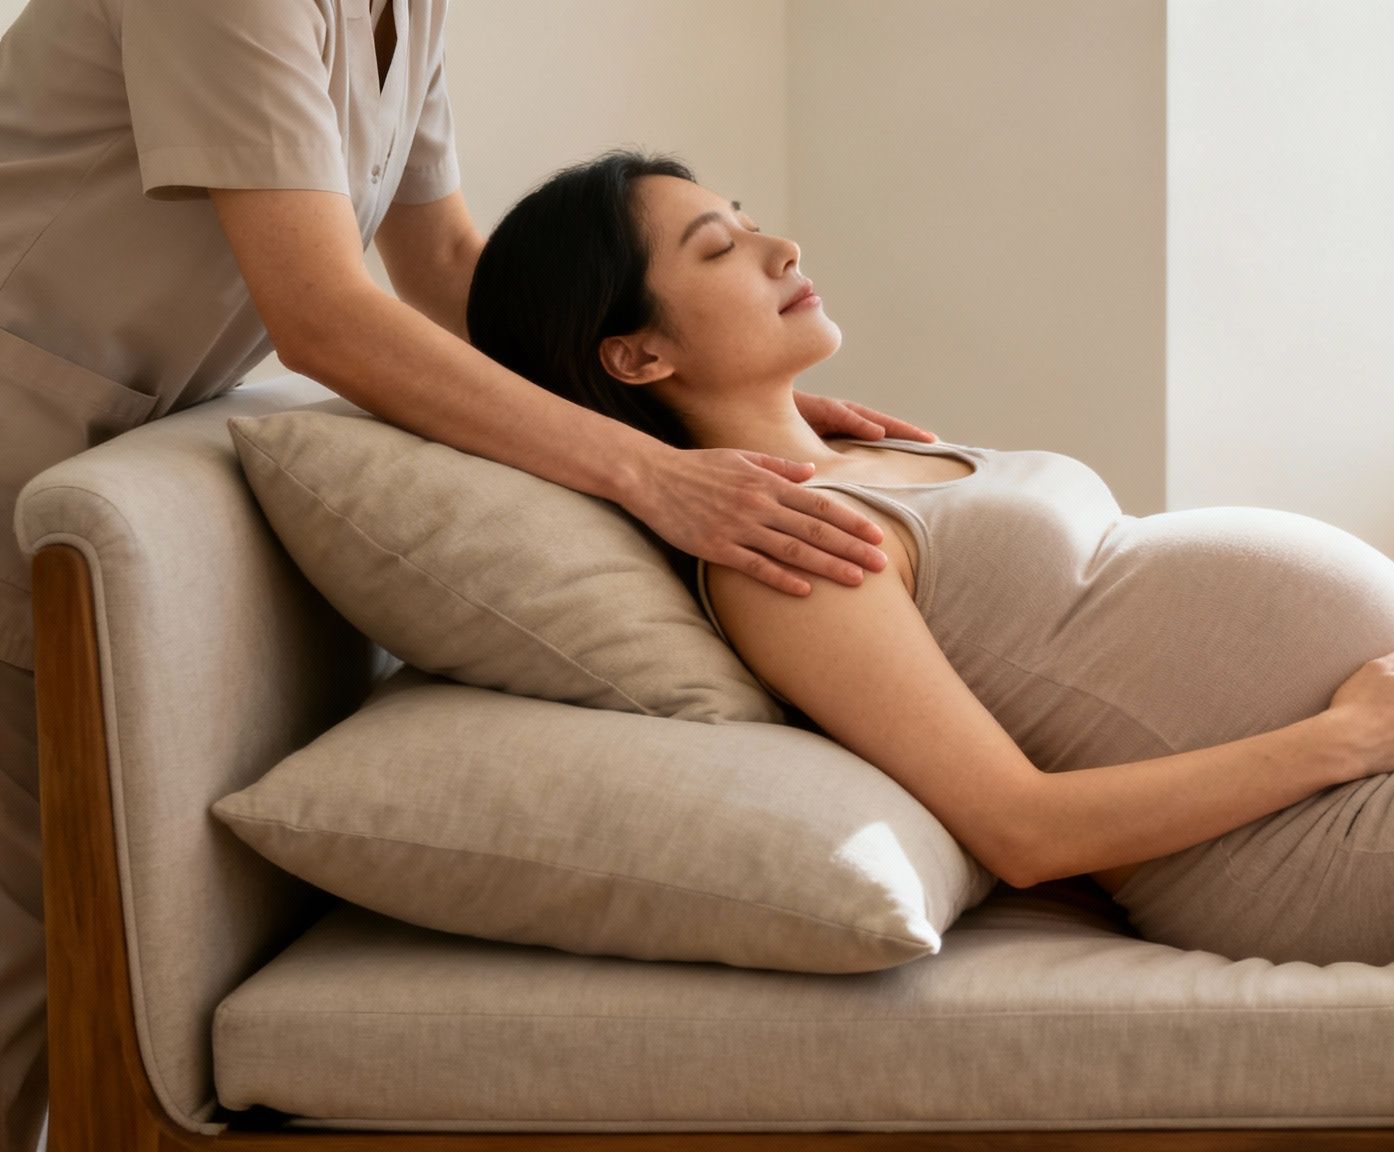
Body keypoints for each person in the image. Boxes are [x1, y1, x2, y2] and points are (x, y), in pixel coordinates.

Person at [0, 4, 932, 1147]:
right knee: (24, 939)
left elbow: (443, 263)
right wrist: (652, 472)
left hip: (96, 438)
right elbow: (325, 315)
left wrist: (705, 412)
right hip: (26, 437)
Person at [463, 147, 1394, 972]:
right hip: (1321, 848)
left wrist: (1390, 635)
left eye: (748, 225)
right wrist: (1343, 736)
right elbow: (1020, 830)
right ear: (639, 354)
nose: (781, 248)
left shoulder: (859, 450)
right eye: (717, 249)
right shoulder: (785, 556)